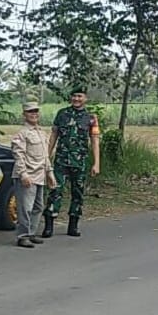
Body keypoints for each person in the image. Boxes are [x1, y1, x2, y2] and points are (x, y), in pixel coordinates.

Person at [42, 86, 100, 238]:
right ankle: (49, 226)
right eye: (74, 96)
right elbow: (54, 135)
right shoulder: (62, 114)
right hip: (61, 161)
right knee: (55, 191)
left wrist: (96, 163)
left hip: (79, 162)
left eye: (80, 96)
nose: (76, 99)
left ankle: (73, 226)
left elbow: (94, 140)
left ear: (85, 98)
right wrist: (47, 157)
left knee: (78, 193)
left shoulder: (91, 118)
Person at [10, 101, 57, 248]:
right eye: (30, 112)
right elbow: (18, 155)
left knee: (38, 206)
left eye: (36, 111)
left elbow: (45, 156)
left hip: (40, 175)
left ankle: (31, 232)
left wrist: (50, 173)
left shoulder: (41, 132)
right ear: (24, 115)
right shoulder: (22, 134)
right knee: (25, 208)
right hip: (27, 176)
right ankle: (22, 236)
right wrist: (23, 174)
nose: (34, 114)